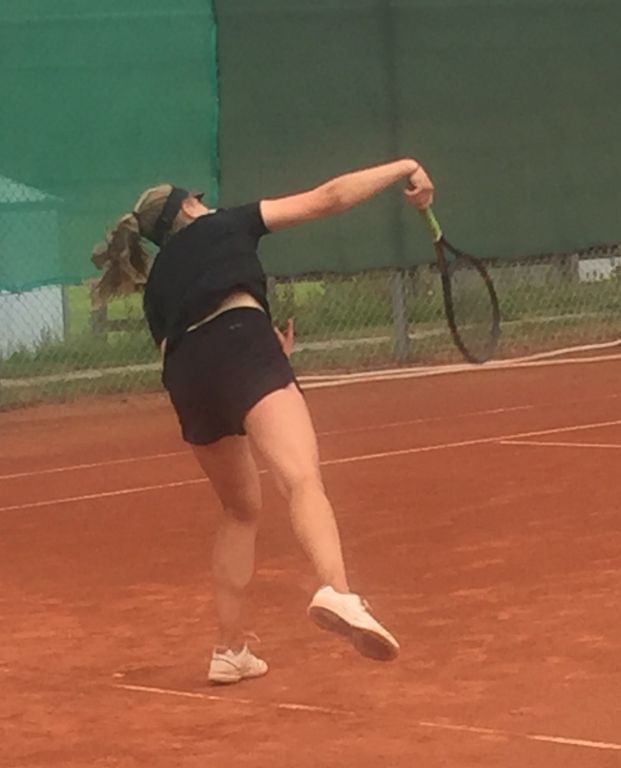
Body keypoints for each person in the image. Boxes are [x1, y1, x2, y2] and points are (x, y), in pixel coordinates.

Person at [92, 158, 434, 684]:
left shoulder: (158, 282)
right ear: (189, 207)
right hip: (241, 345)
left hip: (187, 378)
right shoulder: (226, 223)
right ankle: (338, 590)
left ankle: (229, 650)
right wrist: (405, 166)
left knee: (239, 510)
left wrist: (251, 350)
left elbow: (182, 347)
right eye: (198, 199)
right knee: (300, 477)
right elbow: (329, 196)